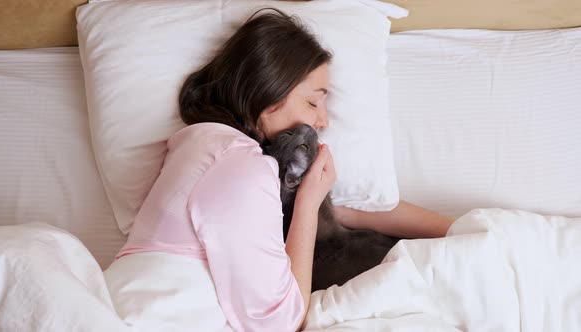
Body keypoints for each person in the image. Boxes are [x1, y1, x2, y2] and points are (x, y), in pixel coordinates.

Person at [115, 9, 453, 332]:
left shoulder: (200, 145)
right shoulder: (242, 167)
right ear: (269, 93)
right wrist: (308, 202)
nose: (323, 121)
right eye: (313, 101)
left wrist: (457, 229)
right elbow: (280, 322)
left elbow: (355, 210)